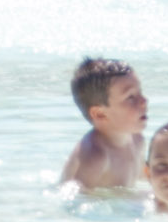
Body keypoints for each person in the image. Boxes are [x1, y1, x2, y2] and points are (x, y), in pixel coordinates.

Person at [58, 58, 148, 194]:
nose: (143, 101)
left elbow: (144, 178)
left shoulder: (138, 140)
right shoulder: (96, 156)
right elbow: (78, 200)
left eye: (140, 92)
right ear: (100, 114)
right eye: (130, 97)